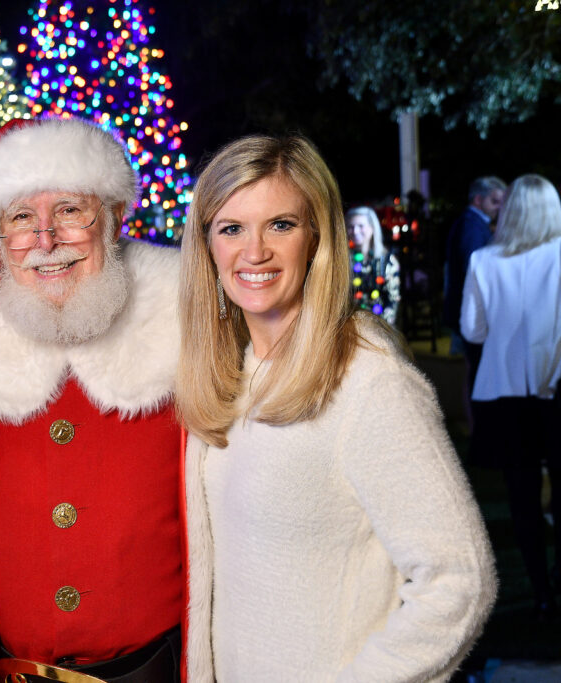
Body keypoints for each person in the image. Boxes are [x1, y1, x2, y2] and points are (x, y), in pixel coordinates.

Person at [177, 134, 496, 681]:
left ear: (317, 237)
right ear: (207, 246)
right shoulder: (233, 373)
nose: (254, 252)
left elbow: (460, 578)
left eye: (281, 224)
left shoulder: (368, 381)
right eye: (231, 228)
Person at [0, 117, 208, 682]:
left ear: (115, 217)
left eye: (69, 210)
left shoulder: (185, 325)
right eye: (21, 218)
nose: (45, 240)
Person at [461, 173, 561, 619]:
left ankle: (541, 591)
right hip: (554, 387)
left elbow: (472, 330)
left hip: (504, 391)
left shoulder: (484, 259)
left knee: (520, 497)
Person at [443, 176, 506, 371]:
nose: (499, 207)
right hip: (469, 307)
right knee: (475, 369)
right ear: (478, 200)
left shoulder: (470, 222)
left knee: (472, 368)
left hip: (463, 305)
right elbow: (474, 268)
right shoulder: (471, 226)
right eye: (494, 201)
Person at [346, 206, 400, 325]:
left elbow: (392, 300)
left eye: (361, 226)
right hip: (350, 327)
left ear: (372, 228)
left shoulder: (387, 261)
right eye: (351, 227)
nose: (355, 231)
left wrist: (380, 330)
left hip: (380, 325)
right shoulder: (343, 261)